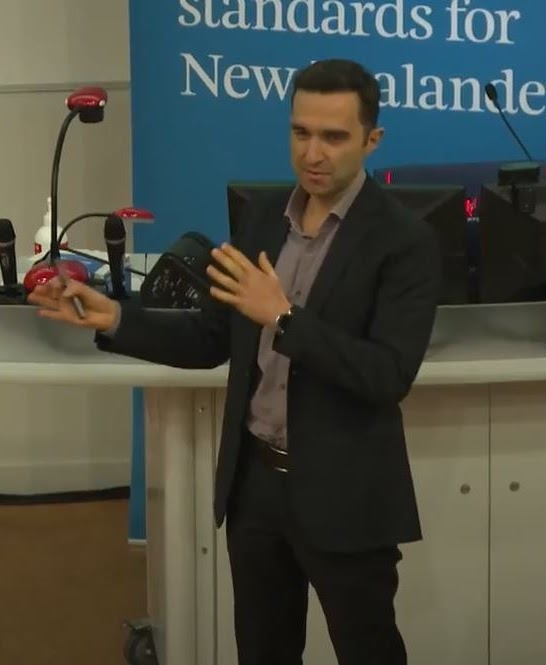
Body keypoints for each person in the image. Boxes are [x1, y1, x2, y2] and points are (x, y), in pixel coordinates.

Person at [29, 59, 442, 665]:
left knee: (368, 650)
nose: (313, 153)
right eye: (301, 132)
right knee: (263, 651)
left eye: (333, 136)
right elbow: (215, 337)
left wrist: (284, 318)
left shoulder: (405, 240)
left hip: (345, 494)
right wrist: (116, 318)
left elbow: (387, 375)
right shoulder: (261, 217)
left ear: (371, 140)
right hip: (255, 488)